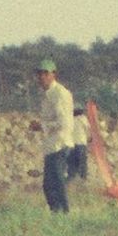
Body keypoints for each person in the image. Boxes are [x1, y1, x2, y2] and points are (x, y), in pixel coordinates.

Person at [36, 63, 89, 214]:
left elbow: (63, 122)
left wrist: (42, 126)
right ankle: (57, 211)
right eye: (40, 73)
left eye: (46, 73)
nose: (42, 77)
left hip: (60, 143)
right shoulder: (47, 95)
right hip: (52, 144)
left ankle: (64, 211)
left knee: (56, 181)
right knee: (49, 184)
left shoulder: (59, 93)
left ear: (54, 74)